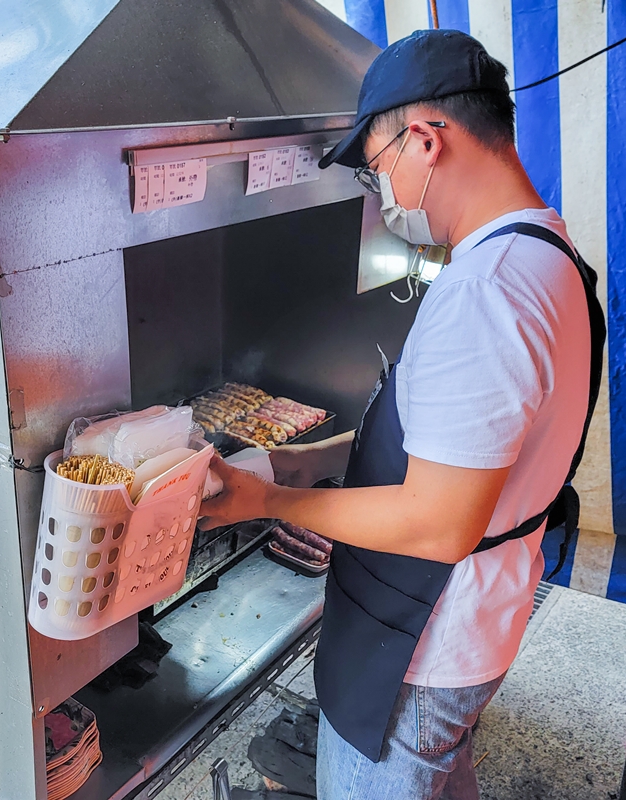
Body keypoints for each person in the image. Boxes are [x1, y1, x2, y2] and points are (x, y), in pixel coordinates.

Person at [200, 29, 605, 800]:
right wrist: (290, 462)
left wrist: (270, 501)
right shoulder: (549, 256)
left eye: (376, 168)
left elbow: (437, 521)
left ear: (424, 140)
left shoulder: (486, 292)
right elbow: (462, 456)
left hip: (424, 646)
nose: (381, 196)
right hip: (480, 612)